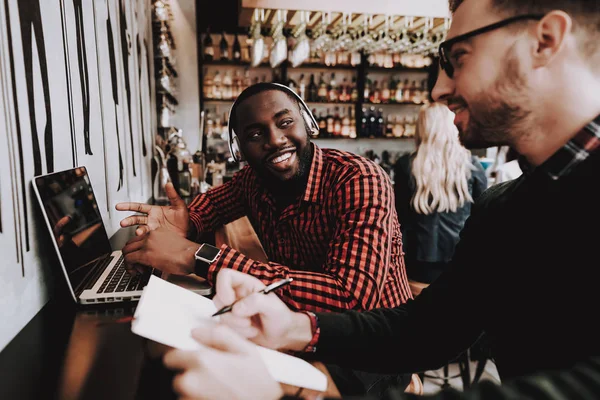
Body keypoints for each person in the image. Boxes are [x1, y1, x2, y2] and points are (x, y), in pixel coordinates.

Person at [159, 0, 600, 398]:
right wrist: (295, 326)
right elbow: (425, 330)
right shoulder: (505, 207)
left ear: (544, 42)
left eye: (456, 58)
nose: (438, 89)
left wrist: (281, 393)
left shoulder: (360, 176)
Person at [117, 82, 413, 394]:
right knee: (184, 366)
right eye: (255, 135)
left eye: (285, 122)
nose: (274, 140)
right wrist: (189, 222)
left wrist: (199, 256)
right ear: (239, 149)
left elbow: (351, 298)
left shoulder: (358, 178)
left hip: (373, 345)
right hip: (297, 331)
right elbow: (212, 205)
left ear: (306, 123)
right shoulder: (253, 181)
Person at [394, 102, 487, 284]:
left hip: (417, 259)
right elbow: (482, 213)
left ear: (422, 128)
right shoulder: (471, 165)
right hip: (460, 257)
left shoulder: (406, 165)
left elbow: (399, 215)